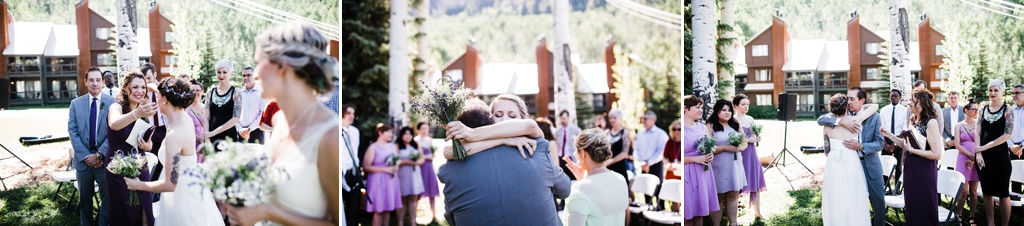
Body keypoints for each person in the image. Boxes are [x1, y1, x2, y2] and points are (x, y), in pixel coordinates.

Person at [223, 21, 341, 226]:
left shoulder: (329, 135)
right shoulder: (280, 122)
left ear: (282, 67)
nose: (255, 74)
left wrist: (268, 213)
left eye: (259, 63)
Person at [438, 97, 570, 225]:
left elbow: (452, 219)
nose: (504, 120)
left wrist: (472, 134)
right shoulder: (538, 148)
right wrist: (502, 139)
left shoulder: (535, 146)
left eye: (512, 116)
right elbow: (448, 152)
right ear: (490, 120)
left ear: (522, 120)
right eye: (498, 115)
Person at [123, 77, 224, 226]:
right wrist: (151, 86)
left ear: (165, 100)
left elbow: (170, 185)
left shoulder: (175, 135)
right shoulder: (183, 117)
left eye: (158, 96)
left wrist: (138, 185)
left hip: (183, 197)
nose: (156, 99)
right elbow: (163, 91)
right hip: (190, 186)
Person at [817, 87, 885, 226]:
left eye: (852, 99)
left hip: (869, 164)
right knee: (850, 199)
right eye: (847, 98)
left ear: (862, 100)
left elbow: (879, 144)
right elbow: (820, 119)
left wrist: (861, 146)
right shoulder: (846, 119)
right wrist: (840, 121)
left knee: (877, 203)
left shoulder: (873, 117)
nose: (848, 102)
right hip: (851, 164)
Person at [881, 88, 943, 225]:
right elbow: (906, 144)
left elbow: (937, 154)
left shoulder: (931, 122)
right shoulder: (914, 120)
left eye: (911, 100)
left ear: (919, 102)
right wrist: (889, 135)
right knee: (912, 204)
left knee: (923, 205)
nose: (908, 103)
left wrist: (913, 151)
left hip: (924, 170)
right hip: (910, 168)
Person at [104, 71, 157, 225]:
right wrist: (136, 114)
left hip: (140, 166)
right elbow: (114, 123)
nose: (140, 91)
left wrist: (147, 146)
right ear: (126, 88)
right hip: (118, 167)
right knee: (125, 213)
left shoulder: (144, 111)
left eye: (143, 87)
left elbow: (149, 143)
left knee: (145, 212)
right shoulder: (116, 107)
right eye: (135, 87)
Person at [68, 67, 117, 226]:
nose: (95, 84)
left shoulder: (113, 104)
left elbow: (114, 131)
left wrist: (100, 154)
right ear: (85, 82)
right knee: (85, 201)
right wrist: (85, 156)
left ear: (103, 82)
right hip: (83, 162)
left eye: (98, 80)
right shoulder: (75, 104)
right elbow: (72, 130)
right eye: (91, 80)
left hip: (104, 161)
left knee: (107, 200)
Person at [562, 128, 629, 226]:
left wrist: (582, 183)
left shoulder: (579, 190)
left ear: (583, 153)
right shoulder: (620, 179)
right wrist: (584, 180)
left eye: (576, 150)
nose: (574, 154)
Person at [972, 79, 1015, 226]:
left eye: (996, 90)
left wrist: (984, 147)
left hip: (1000, 157)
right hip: (983, 158)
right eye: (990, 90)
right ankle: (990, 223)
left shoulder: (1008, 110)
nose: (992, 93)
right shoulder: (982, 109)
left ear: (1003, 91)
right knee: (987, 191)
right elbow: (977, 132)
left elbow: (1007, 135)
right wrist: (978, 153)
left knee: (1003, 193)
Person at [707, 100, 747, 226]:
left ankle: (733, 223)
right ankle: (716, 224)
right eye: (724, 110)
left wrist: (741, 147)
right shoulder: (710, 126)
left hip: (735, 166)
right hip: (718, 166)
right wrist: (724, 148)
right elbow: (708, 148)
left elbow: (744, 141)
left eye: (729, 110)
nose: (727, 112)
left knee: (733, 196)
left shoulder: (735, 123)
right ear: (717, 111)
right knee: (718, 197)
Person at [683, 95, 718, 226]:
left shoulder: (703, 127)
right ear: (685, 109)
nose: (700, 110)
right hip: (688, 173)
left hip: (703, 172)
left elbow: (710, 146)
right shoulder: (680, 129)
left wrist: (711, 154)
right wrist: (695, 159)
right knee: (688, 216)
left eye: (701, 107)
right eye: (697, 107)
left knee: (699, 213)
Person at [731, 94, 766, 217]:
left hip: (752, 153)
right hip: (741, 153)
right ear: (735, 106)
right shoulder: (733, 120)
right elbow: (734, 138)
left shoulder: (750, 118)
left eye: (747, 104)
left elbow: (753, 134)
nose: (746, 106)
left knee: (755, 180)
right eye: (743, 104)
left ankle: (758, 212)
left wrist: (757, 138)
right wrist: (747, 140)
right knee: (739, 184)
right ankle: (733, 215)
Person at [364, 124, 402, 226]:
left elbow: (397, 160)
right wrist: (385, 169)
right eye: (388, 132)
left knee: (387, 209)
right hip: (377, 181)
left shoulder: (393, 146)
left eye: (391, 132)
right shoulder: (373, 148)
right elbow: (366, 167)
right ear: (380, 133)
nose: (391, 134)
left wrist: (396, 165)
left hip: (390, 180)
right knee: (379, 210)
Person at [952, 98, 981, 224]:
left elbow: (982, 143)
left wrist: (974, 159)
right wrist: (970, 155)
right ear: (966, 110)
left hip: (976, 159)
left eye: (977, 109)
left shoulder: (979, 125)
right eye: (973, 109)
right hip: (963, 159)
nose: (976, 111)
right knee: (963, 191)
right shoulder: (959, 126)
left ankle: (972, 216)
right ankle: (959, 214)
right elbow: (957, 144)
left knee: (973, 191)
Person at [204, 59, 241, 152]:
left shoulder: (236, 92)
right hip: (211, 138)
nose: (221, 75)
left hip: (229, 138)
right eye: (218, 72)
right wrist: (207, 138)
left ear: (231, 73)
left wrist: (214, 132)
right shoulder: (210, 93)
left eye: (225, 72)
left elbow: (236, 118)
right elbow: (206, 117)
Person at [635, 110, 669, 209]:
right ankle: (648, 214)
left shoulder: (660, 134)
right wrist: (641, 162)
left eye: (645, 119)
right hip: (643, 166)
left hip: (656, 165)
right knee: (646, 192)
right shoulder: (640, 134)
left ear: (653, 120)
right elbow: (636, 149)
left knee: (658, 192)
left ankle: (660, 212)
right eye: (642, 119)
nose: (643, 121)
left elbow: (662, 151)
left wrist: (649, 163)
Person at [395, 126, 425, 226]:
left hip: (414, 175)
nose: (408, 136)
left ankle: (413, 221)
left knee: (413, 198)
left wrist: (416, 162)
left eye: (410, 134)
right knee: (402, 199)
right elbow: (394, 161)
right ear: (402, 135)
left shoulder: (416, 145)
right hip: (401, 175)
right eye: (406, 134)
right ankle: (400, 222)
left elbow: (422, 159)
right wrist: (405, 162)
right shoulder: (397, 146)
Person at [879, 90, 908, 185]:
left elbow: (904, 129)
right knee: (885, 165)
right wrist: (885, 144)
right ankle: (886, 187)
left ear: (899, 97)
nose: (894, 97)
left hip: (899, 139)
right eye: (892, 96)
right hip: (886, 140)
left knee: (898, 165)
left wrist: (895, 143)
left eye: (896, 96)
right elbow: (882, 128)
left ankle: (897, 188)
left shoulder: (905, 110)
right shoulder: (884, 110)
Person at [341, 105, 362, 226]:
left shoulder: (355, 131)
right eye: (348, 113)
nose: (351, 116)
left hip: (353, 170)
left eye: (353, 113)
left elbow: (355, 151)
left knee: (354, 204)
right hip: (341, 170)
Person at [414, 122, 440, 221]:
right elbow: (415, 156)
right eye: (423, 129)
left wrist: (431, 156)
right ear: (418, 130)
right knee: (418, 191)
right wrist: (425, 156)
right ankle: (414, 214)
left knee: (431, 190)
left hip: (429, 167)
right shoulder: (415, 141)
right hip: (420, 168)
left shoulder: (429, 140)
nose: (425, 131)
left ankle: (433, 214)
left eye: (426, 129)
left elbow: (432, 155)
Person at [237, 65, 269, 144]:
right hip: (240, 133)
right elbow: (234, 113)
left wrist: (249, 129)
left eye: (248, 75)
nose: (245, 77)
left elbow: (263, 114)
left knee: (257, 156)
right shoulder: (239, 93)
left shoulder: (262, 92)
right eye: (244, 75)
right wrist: (239, 129)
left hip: (257, 132)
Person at [605, 110, 633, 187]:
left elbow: (624, 153)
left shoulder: (625, 133)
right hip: (608, 169)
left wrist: (609, 162)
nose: (612, 120)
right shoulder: (607, 133)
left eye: (615, 118)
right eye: (610, 118)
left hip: (620, 167)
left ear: (620, 119)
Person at [556, 110, 583, 181]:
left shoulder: (576, 130)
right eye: (561, 118)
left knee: (572, 178)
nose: (562, 120)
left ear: (568, 117)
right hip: (560, 157)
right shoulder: (558, 131)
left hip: (571, 157)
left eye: (564, 118)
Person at [1008, 84, 1024, 197]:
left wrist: (1022, 146)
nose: (1014, 95)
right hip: (1011, 148)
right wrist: (1012, 146)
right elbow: (1005, 131)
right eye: (1013, 93)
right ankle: (1015, 208)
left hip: (1023, 147)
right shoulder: (1010, 110)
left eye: (1017, 93)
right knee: (1015, 178)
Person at [663, 119, 682, 212]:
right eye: (674, 129)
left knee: (682, 197)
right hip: (671, 172)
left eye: (679, 129)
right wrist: (668, 164)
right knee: (673, 198)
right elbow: (664, 157)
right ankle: (676, 220)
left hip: (682, 171)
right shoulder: (669, 142)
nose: (677, 131)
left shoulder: (685, 141)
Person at [188, 80, 207, 162]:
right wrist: (200, 140)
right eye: (193, 90)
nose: (195, 93)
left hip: (205, 142)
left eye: (198, 90)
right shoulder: (186, 109)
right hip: (192, 142)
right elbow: (186, 130)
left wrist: (206, 141)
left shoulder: (205, 107)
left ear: (202, 92)